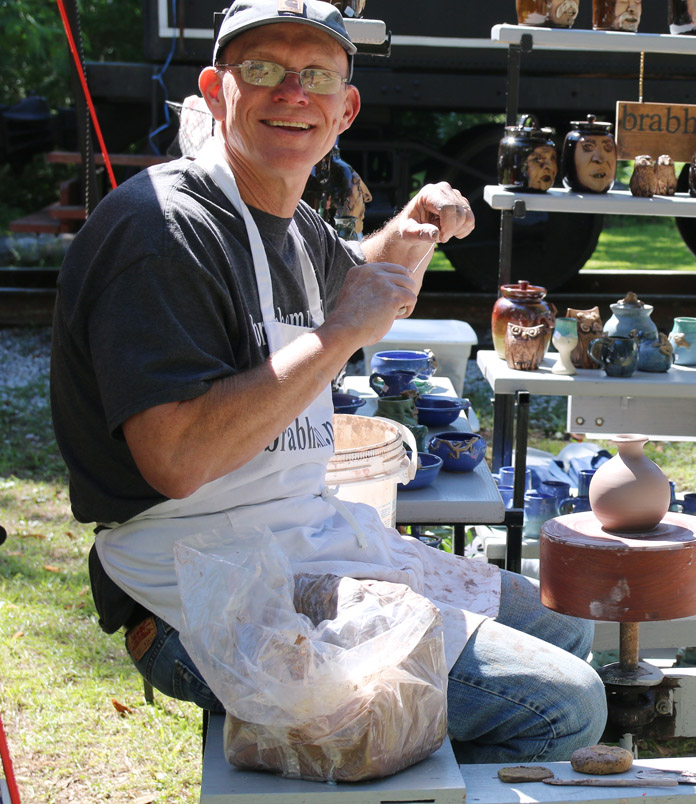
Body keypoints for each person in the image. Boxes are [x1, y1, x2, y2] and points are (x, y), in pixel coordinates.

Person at [50, 0, 606, 764]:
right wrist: (336, 334)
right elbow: (175, 460)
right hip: (198, 595)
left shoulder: (292, 223)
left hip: (304, 550)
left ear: (345, 109)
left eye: (315, 75)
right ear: (217, 91)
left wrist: (408, 229)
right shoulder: (164, 230)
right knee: (564, 704)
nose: (291, 92)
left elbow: (352, 274)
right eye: (263, 71)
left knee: (566, 621)